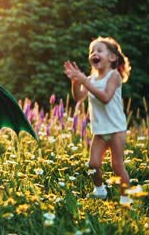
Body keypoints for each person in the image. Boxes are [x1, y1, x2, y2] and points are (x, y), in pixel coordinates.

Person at [63, 36, 133, 204]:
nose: (94, 53)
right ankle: (100, 191)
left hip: (116, 129)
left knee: (117, 165)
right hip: (99, 131)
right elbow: (79, 97)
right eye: (92, 51)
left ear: (112, 58)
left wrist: (84, 80)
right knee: (93, 164)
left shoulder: (113, 76)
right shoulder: (92, 79)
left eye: (99, 50)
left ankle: (126, 197)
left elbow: (105, 97)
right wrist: (75, 82)